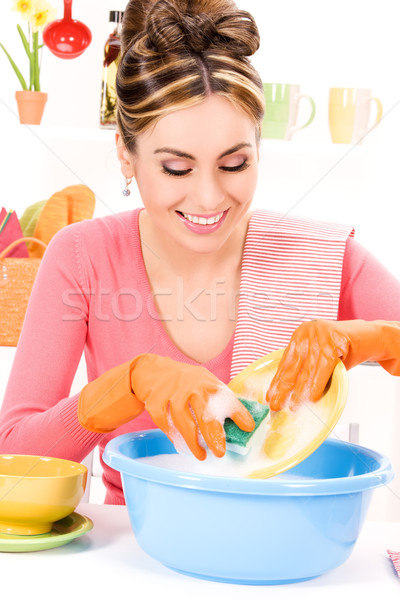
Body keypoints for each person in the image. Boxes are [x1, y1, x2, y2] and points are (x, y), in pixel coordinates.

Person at [1, 0, 400, 505]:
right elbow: (11, 460)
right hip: (138, 556)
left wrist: (364, 340)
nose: (209, 198)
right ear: (126, 154)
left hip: (282, 550)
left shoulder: (321, 256)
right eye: (176, 169)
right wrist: (129, 384)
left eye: (234, 163)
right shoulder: (83, 257)